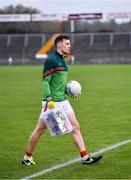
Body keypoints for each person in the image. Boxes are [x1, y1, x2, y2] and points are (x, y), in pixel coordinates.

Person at [22, 35, 102, 165]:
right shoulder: (51, 60)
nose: (69, 45)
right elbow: (45, 81)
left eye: (69, 43)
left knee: (75, 127)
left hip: (63, 101)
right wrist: (48, 98)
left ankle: (85, 157)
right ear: (59, 45)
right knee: (40, 130)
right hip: (52, 103)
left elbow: (58, 83)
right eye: (67, 43)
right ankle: (27, 157)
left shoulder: (64, 61)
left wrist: (68, 91)